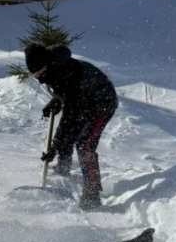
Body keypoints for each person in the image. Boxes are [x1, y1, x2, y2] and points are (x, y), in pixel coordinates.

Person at [24, 43, 118, 211]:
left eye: (39, 73)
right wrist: (57, 100)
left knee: (85, 145)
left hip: (102, 104)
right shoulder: (54, 67)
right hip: (84, 101)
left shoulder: (65, 71)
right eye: (35, 75)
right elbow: (66, 92)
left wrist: (54, 147)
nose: (39, 78)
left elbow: (70, 116)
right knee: (68, 136)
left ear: (46, 66)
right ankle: (63, 168)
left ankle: (92, 193)